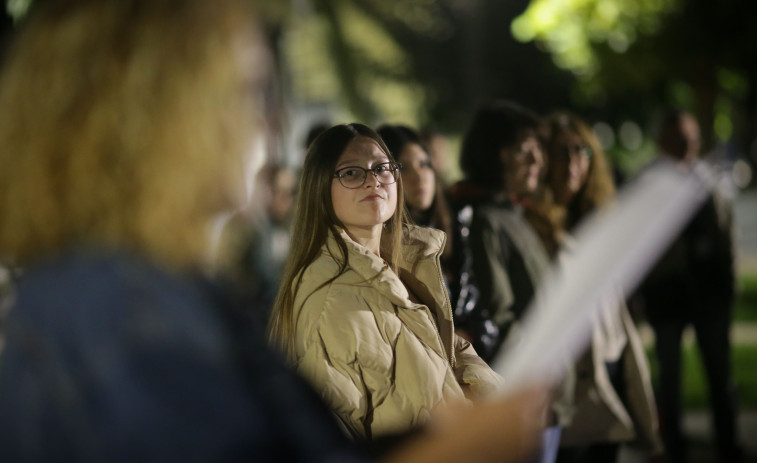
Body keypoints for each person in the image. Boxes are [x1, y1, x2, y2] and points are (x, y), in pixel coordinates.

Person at [0, 1, 549, 462]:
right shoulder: (113, 313)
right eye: (246, 90)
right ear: (144, 112)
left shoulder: (152, 290)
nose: (266, 123)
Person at [268, 123, 505, 441]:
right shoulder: (328, 300)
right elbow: (331, 435)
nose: (373, 180)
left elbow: (445, 353)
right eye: (352, 173)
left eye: (381, 167)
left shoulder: (409, 264)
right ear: (320, 188)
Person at [532, 111, 661, 463]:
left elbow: (619, 315)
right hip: (567, 386)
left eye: (582, 151)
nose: (573, 162)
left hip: (609, 372)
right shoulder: (533, 228)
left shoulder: (600, 221)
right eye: (562, 152)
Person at [635, 110, 742, 463]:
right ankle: (674, 446)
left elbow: (726, 234)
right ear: (662, 141)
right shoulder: (649, 184)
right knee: (669, 379)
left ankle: (728, 443)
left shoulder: (709, 179)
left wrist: (728, 284)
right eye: (677, 139)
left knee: (720, 374)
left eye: (690, 139)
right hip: (667, 296)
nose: (685, 146)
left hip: (710, 295)